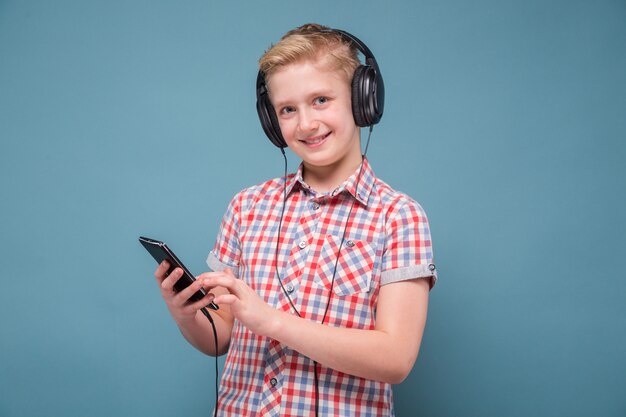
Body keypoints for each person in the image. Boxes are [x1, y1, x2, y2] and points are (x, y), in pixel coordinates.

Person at [154, 23, 437, 416]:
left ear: (362, 101)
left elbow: (395, 358)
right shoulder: (247, 207)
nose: (305, 124)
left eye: (321, 100)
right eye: (288, 110)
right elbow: (222, 338)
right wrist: (187, 314)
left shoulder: (399, 216)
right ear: (272, 121)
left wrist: (271, 321)